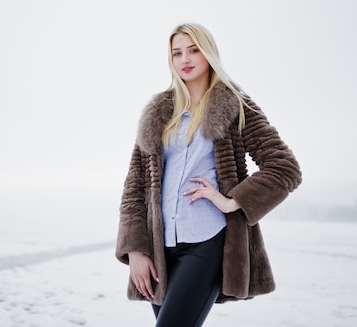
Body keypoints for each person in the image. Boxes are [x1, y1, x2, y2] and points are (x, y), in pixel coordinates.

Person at [115, 23, 302, 326]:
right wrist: (135, 249)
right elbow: (134, 187)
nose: (184, 59)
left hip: (207, 243)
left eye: (193, 50)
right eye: (177, 53)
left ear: (209, 53)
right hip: (159, 249)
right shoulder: (158, 112)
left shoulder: (235, 105)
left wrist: (233, 201)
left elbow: (284, 167)